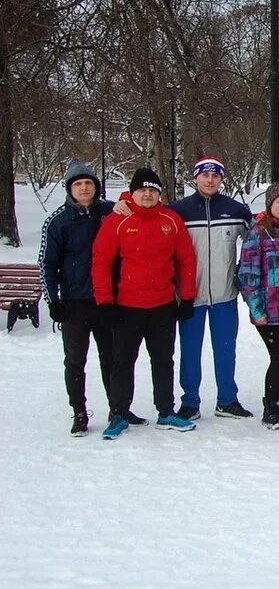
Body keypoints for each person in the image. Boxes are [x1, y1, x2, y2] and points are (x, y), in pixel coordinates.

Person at [92, 168, 198, 439]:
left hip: (162, 304)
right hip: (126, 305)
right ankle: (119, 413)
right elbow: (101, 262)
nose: (147, 194)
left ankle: (165, 411)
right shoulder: (118, 219)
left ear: (159, 193)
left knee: (163, 360)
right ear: (133, 192)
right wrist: (104, 301)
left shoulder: (171, 220)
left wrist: (186, 297)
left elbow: (186, 259)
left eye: (152, 190)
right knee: (122, 362)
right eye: (142, 190)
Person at [39, 161, 126, 436]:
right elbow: (47, 264)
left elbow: (136, 211)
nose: (84, 188)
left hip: (106, 301)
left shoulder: (111, 212)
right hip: (74, 303)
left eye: (88, 183)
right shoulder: (58, 221)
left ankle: (117, 408)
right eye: (78, 184)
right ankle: (79, 411)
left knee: (111, 358)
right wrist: (54, 300)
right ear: (70, 189)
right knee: (75, 361)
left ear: (96, 187)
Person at [171, 156, 254, 421]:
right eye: (205, 175)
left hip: (224, 294)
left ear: (221, 179)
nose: (210, 180)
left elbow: (258, 240)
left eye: (215, 176)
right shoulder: (178, 211)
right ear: (195, 178)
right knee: (190, 350)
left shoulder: (236, 210)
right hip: (189, 296)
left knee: (226, 348)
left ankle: (227, 400)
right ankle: (190, 402)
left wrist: (244, 274)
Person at [238, 182, 279, 430]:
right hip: (270, 310)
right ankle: (272, 406)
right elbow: (248, 274)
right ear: (270, 204)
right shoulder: (258, 232)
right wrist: (257, 309)